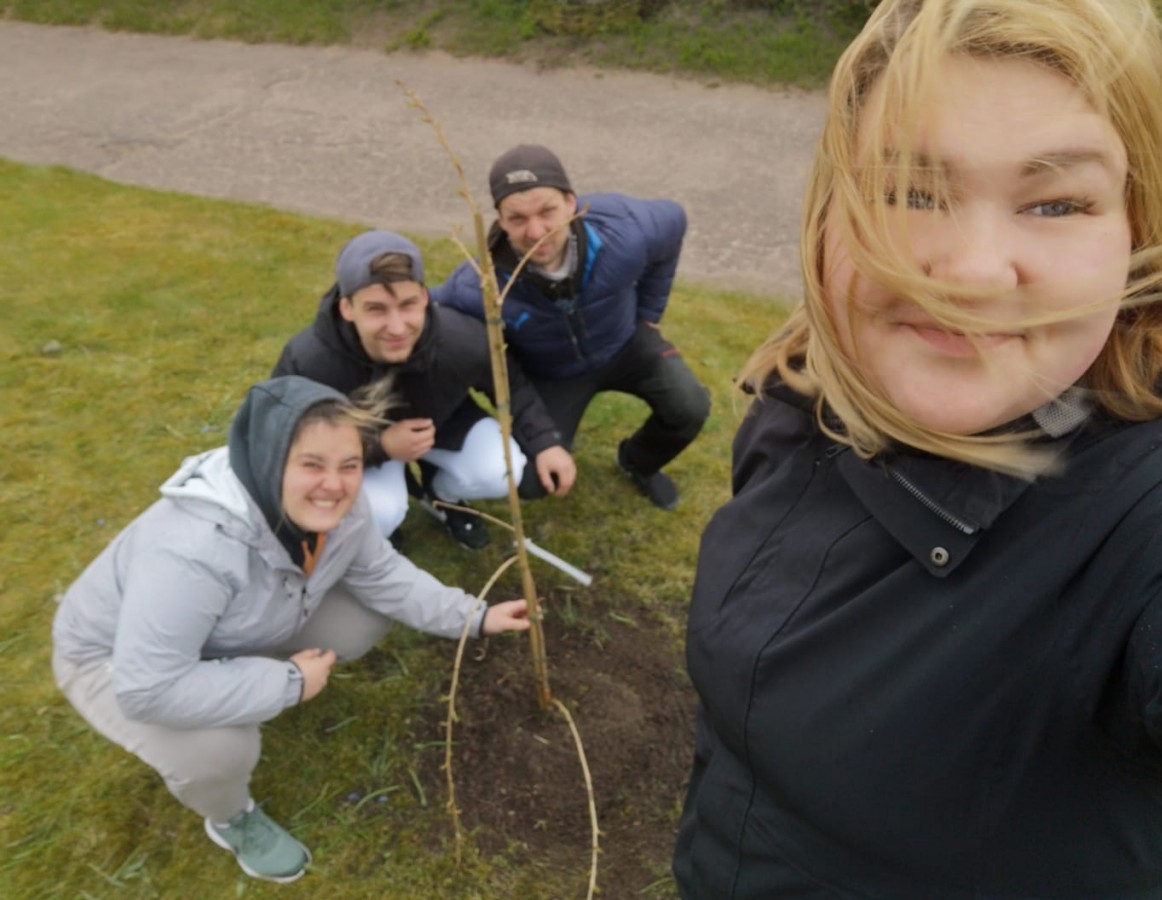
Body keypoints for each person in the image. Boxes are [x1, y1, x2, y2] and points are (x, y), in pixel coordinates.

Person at [674, 0, 1162, 897]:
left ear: (1137, 233)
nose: (967, 273)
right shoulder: (802, 391)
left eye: (1058, 202)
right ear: (831, 212)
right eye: (908, 192)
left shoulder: (1161, 524)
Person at [51, 376, 529, 884]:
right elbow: (148, 688)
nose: (335, 484)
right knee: (220, 752)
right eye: (311, 465)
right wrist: (288, 684)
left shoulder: (339, 504)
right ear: (267, 459)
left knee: (361, 617)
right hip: (116, 660)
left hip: (222, 629)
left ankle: (235, 685)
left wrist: (474, 616)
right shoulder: (192, 551)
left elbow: (382, 574)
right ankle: (233, 818)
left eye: (349, 465)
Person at [432, 145, 711, 511]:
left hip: (625, 341)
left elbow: (674, 223)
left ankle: (637, 461)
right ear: (499, 219)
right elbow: (422, 313)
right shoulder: (478, 286)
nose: (535, 232)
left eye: (547, 211)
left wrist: (649, 312)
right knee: (532, 479)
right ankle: (443, 491)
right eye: (517, 218)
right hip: (553, 372)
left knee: (690, 406)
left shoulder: (625, 231)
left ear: (570, 203)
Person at [274, 229, 575, 550]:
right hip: (355, 448)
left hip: (441, 424)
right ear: (347, 308)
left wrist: (545, 443)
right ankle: (371, 541)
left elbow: (511, 384)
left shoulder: (462, 339)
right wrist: (381, 447)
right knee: (381, 512)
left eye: (408, 305)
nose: (397, 327)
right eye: (376, 309)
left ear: (425, 297)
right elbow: (285, 440)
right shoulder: (310, 362)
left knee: (503, 470)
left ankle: (443, 496)